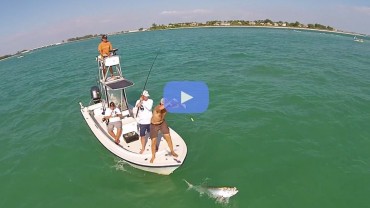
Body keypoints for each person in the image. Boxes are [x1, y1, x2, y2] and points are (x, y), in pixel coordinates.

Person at [149, 98, 178, 163]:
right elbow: (161, 108)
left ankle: (172, 151)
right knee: (153, 141)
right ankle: (153, 156)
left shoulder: (166, 108)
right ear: (161, 103)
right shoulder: (157, 108)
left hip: (162, 123)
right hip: (154, 125)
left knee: (168, 137)